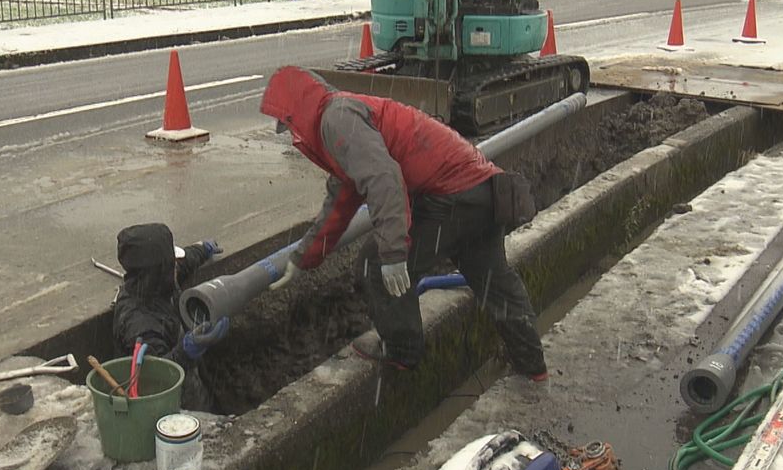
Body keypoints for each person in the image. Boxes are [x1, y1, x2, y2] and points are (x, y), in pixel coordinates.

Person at [260, 66, 549, 381]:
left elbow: (385, 181)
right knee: (495, 284)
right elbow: (340, 203)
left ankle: (402, 353)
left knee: (373, 264)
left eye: (287, 126)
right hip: (481, 193)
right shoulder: (341, 116)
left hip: (450, 196)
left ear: (295, 113)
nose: (291, 137)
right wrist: (305, 256)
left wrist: (394, 254)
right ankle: (532, 367)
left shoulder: (336, 118)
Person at [110, 223, 227, 411]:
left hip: (193, 388)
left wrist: (202, 249)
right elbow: (156, 376)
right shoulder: (140, 326)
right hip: (168, 409)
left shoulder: (155, 283)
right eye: (172, 263)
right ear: (159, 271)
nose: (176, 267)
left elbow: (185, 262)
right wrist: (186, 351)